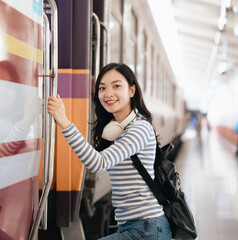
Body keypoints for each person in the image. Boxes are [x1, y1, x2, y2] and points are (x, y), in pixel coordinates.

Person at [47, 63, 172, 239]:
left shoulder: (139, 129)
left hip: (147, 227)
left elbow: (98, 163)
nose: (108, 93)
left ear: (131, 90)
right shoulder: (118, 129)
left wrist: (65, 123)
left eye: (116, 86)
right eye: (102, 88)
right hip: (135, 227)